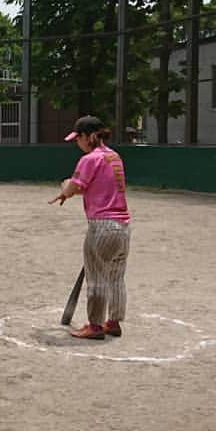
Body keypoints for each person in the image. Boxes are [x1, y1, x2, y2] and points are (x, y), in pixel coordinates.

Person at [49, 115, 131, 340]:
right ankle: (113, 322)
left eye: (79, 138)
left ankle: (94, 326)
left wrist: (65, 187)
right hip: (123, 226)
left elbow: (73, 187)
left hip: (101, 226)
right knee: (115, 277)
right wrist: (73, 189)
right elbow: (95, 187)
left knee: (96, 278)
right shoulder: (114, 157)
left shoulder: (89, 159)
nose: (78, 143)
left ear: (88, 136)